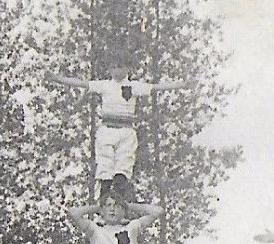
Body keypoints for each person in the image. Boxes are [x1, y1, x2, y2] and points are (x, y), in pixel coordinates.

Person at [48, 65, 186, 205]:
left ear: (127, 68)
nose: (116, 71)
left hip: (126, 131)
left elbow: (157, 87)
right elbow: (81, 83)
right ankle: (104, 204)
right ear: (109, 69)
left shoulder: (134, 86)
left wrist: (183, 84)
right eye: (113, 67)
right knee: (105, 167)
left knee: (123, 168)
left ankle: (119, 202)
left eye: (120, 67)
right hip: (107, 131)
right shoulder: (104, 85)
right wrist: (57, 79)